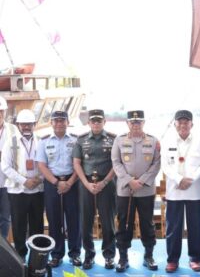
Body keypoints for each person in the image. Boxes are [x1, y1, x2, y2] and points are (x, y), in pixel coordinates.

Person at [111, 110, 161, 273]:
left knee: (147, 223)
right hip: (125, 191)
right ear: (127, 123)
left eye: (138, 122)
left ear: (143, 123)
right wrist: (128, 181)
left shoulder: (153, 141)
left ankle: (149, 256)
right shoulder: (119, 140)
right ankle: (123, 257)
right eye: (132, 122)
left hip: (145, 190)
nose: (135, 124)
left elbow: (156, 164)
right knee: (124, 223)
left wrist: (142, 181)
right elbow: (116, 163)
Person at [161, 110, 200, 273]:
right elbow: (165, 165)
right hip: (174, 190)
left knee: (196, 226)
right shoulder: (166, 141)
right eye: (180, 122)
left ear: (191, 124)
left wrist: (190, 179)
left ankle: (195, 258)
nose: (183, 125)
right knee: (173, 227)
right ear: (175, 124)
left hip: (194, 191)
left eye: (186, 122)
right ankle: (172, 260)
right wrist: (180, 180)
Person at [73, 109, 116, 270]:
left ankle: (109, 256)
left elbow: (116, 163)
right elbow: (77, 163)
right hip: (86, 184)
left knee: (108, 222)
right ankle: (89, 256)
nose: (96, 124)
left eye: (99, 121)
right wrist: (86, 183)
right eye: (93, 121)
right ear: (89, 122)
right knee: (86, 222)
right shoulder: (81, 140)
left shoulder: (113, 139)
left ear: (104, 122)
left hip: (107, 184)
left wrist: (104, 182)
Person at [36, 111, 81, 267]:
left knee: (74, 219)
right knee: (54, 220)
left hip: (72, 183)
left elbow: (79, 164)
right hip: (52, 184)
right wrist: (57, 183)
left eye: (62, 120)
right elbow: (41, 165)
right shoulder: (43, 142)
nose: (59, 123)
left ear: (68, 122)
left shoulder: (76, 141)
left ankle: (75, 254)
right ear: (51, 123)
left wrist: (69, 183)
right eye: (56, 121)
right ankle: (56, 255)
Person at [1, 109, 44, 260]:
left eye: (29, 124)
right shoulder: (10, 141)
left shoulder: (41, 141)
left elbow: (47, 165)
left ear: (34, 124)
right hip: (17, 191)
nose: (26, 127)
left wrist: (39, 179)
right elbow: (5, 166)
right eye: (23, 124)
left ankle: (37, 255)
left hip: (38, 190)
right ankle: (20, 256)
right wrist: (24, 181)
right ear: (18, 124)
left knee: (37, 225)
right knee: (19, 225)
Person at [0, 96, 18, 239]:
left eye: (1, 111)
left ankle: (3, 251)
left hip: (7, 182)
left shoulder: (13, 129)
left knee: (5, 218)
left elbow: (18, 152)